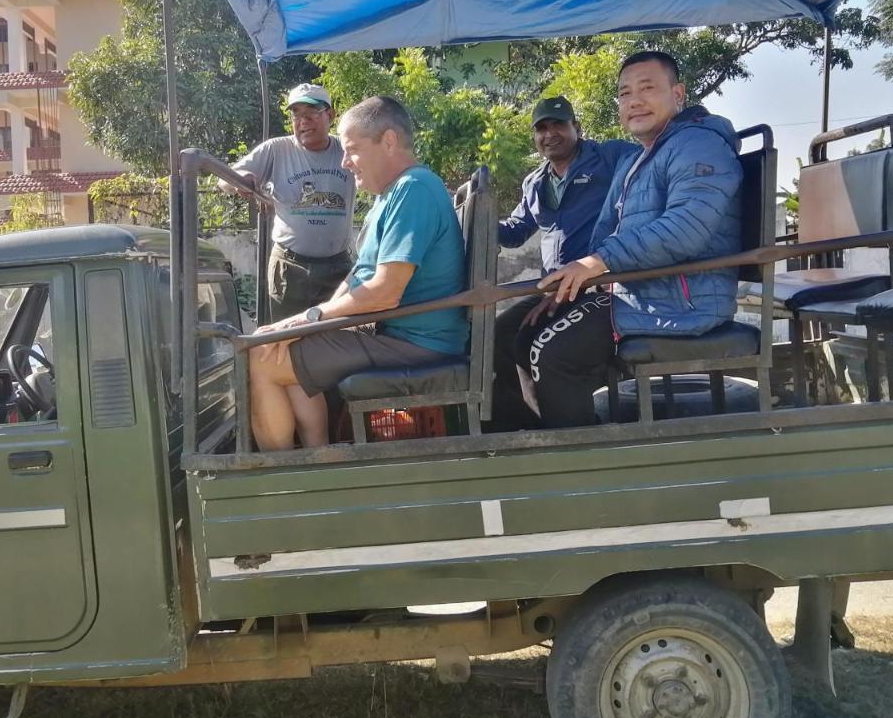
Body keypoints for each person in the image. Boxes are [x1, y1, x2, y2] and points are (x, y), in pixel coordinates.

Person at [515, 50, 744, 428]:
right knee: (522, 334)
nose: (634, 100)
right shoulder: (638, 159)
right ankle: (542, 438)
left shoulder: (699, 145)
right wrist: (576, 286)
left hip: (681, 300)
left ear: (678, 94)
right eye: (624, 93)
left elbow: (686, 228)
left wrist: (597, 264)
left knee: (552, 352)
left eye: (647, 88)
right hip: (640, 291)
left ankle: (583, 463)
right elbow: (606, 233)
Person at [247, 96, 468, 451]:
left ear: (389, 141)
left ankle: (280, 484)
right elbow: (359, 275)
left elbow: (385, 291)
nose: (345, 162)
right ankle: (319, 461)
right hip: (395, 330)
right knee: (276, 345)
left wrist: (311, 317)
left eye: (352, 150)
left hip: (415, 342)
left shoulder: (414, 190)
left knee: (260, 358)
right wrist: (310, 326)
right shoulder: (389, 196)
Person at [489, 95, 638, 431]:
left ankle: (576, 433)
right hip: (554, 290)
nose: (550, 133)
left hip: (597, 285)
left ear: (577, 128)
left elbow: (653, 161)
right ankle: (529, 424)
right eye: (541, 127)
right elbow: (515, 232)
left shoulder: (609, 157)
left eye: (559, 124)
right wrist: (476, 219)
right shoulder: (535, 182)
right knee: (500, 335)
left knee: (546, 349)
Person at [223, 83, 357, 322]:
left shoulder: (344, 149)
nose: (303, 121)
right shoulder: (277, 149)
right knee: (287, 338)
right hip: (290, 267)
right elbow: (224, 180)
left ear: (330, 115)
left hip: (337, 265)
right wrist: (242, 182)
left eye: (311, 114)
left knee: (338, 336)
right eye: (296, 115)